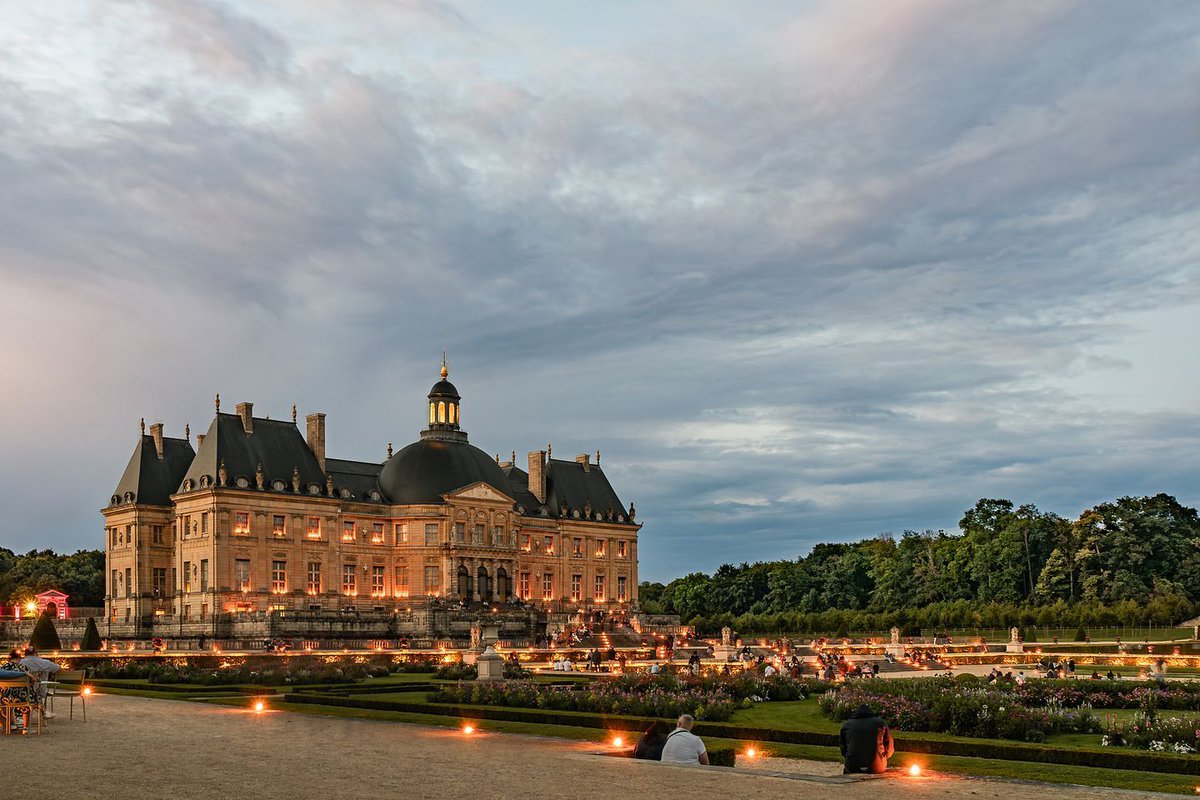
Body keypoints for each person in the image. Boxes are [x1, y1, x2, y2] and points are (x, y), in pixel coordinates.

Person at [839, 704, 894, 775]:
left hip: (852, 766)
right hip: (876, 766)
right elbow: (889, 746)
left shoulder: (846, 725)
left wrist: (850, 756)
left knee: (847, 769)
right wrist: (883, 757)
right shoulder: (880, 723)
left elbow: (843, 748)